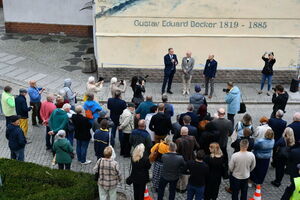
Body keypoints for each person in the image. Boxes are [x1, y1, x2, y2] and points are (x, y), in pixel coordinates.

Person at [175, 127, 199, 192]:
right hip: (191, 157)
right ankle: (186, 186)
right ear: (187, 132)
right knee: (188, 172)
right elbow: (198, 147)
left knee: (181, 173)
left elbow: (176, 151)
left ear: (181, 132)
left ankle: (180, 187)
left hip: (181, 158)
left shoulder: (178, 140)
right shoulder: (192, 138)